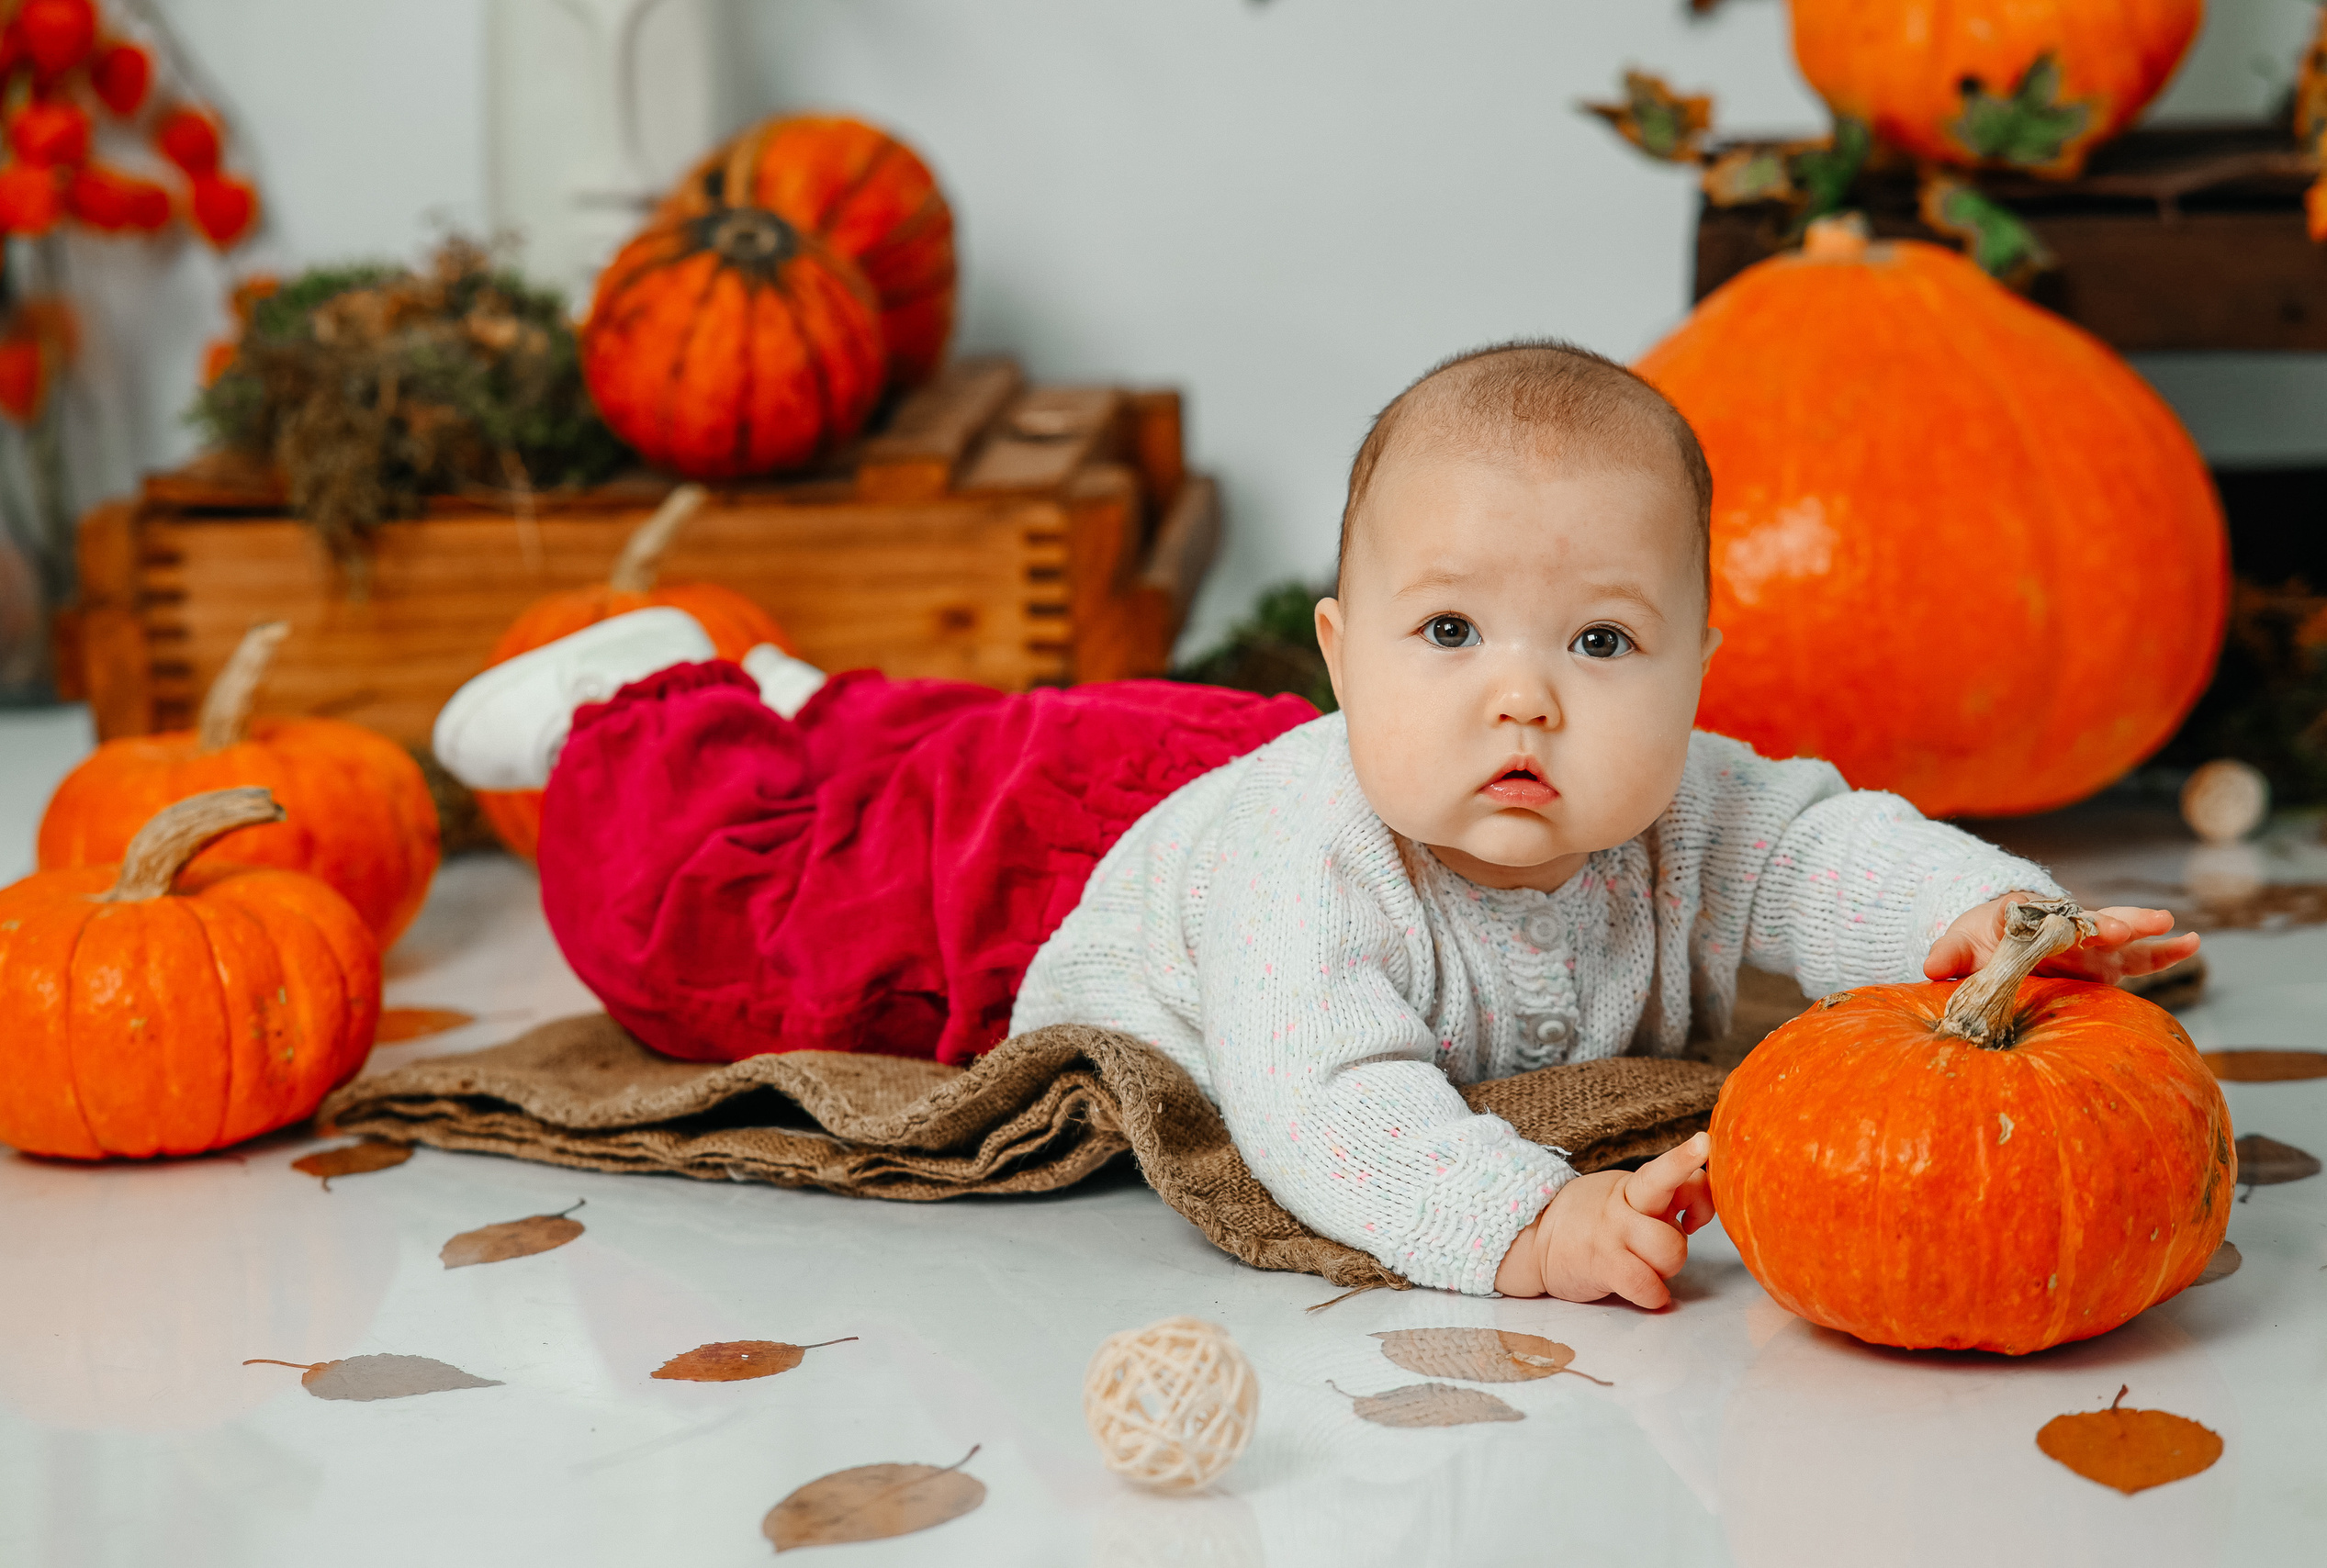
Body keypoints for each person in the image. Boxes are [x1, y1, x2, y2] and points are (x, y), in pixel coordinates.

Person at [435, 340, 2195, 1306]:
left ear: (1695, 672)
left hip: (1210, 761)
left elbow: (1831, 849)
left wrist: (1997, 920)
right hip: (1045, 886)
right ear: (1344, 654)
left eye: (1599, 641)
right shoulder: (1311, 868)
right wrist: (1525, 1223)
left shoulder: (1696, 799)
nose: (1524, 698)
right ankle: (657, 698)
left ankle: (831, 706)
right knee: (741, 937)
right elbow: (1320, 1103)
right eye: (1451, 633)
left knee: (947, 743)